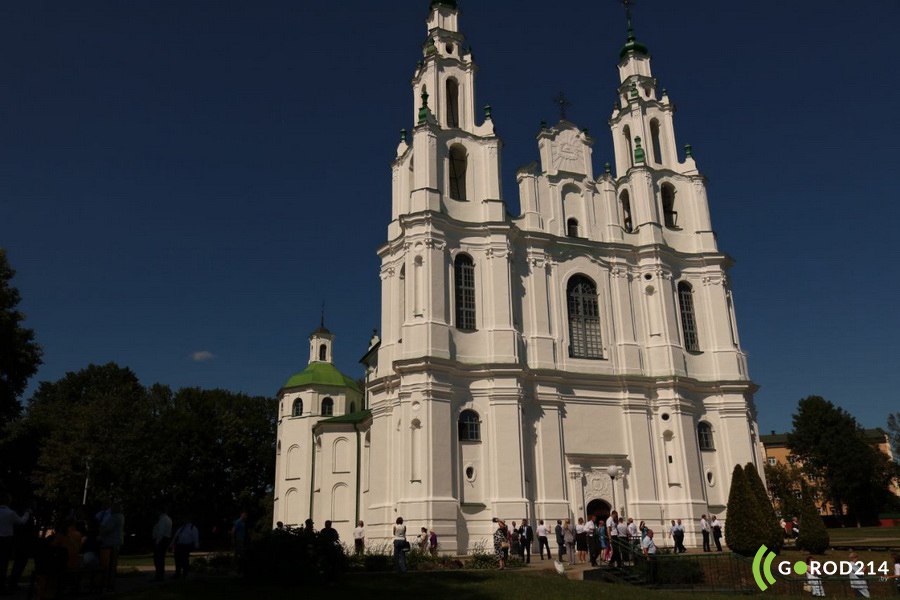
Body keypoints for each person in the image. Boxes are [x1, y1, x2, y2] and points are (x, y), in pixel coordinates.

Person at [0, 495, 31, 594]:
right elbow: (21, 522)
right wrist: (27, 513)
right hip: (6, 539)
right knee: (4, 562)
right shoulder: (10, 513)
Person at [98, 502, 124, 591]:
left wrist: (101, 529)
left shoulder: (114, 517)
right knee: (113, 564)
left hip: (111, 543)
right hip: (116, 542)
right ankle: (110, 583)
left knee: (109, 564)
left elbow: (107, 529)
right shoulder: (120, 517)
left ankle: (108, 583)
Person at [151, 508, 172, 582]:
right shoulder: (168, 519)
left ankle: (159, 576)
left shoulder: (163, 519)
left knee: (158, 559)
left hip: (161, 540)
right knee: (161, 558)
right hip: (164, 539)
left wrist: (157, 541)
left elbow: (161, 532)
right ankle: (160, 575)